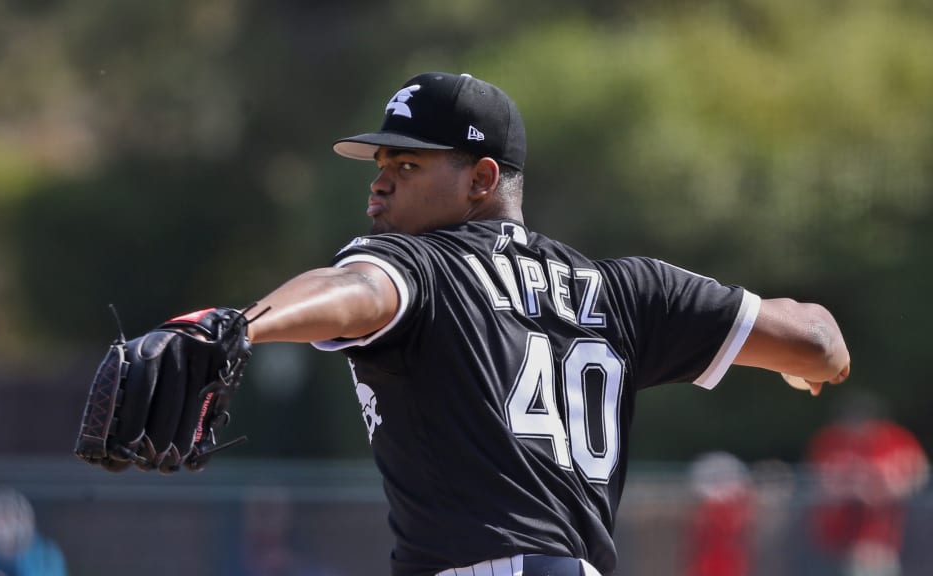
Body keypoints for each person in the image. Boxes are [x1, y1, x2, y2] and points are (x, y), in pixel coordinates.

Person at [214, 72, 850, 575]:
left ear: (481, 178)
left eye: (407, 166)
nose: (379, 185)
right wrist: (803, 363)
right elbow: (819, 341)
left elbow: (356, 288)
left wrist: (238, 327)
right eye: (381, 165)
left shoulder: (422, 264)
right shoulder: (626, 291)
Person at [805, 393, 928, 576]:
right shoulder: (831, 440)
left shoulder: (894, 439)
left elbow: (918, 472)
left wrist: (889, 488)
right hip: (831, 537)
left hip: (880, 537)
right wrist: (853, 489)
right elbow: (816, 480)